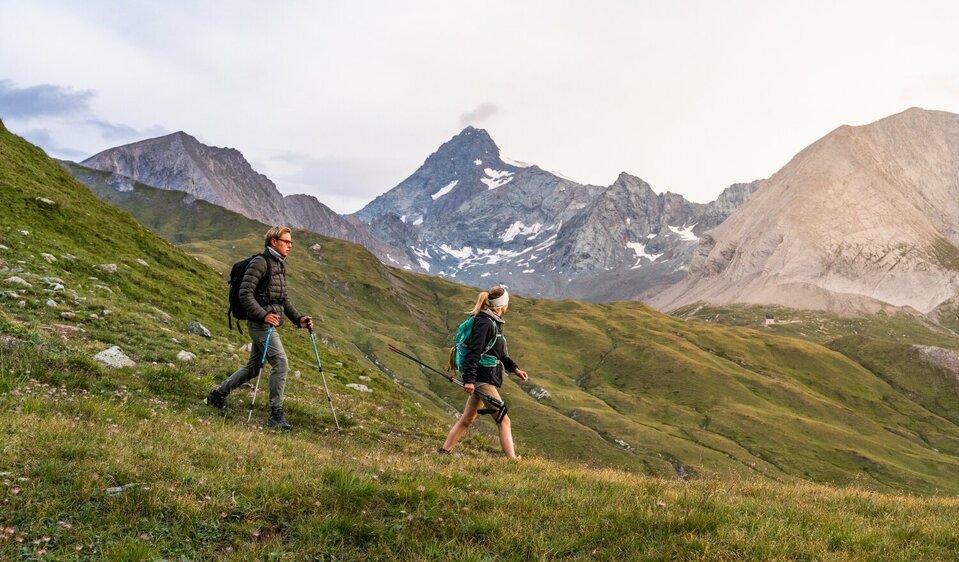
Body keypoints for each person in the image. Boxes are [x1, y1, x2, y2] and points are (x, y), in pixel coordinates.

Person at [205, 226, 313, 430]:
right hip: (260, 325)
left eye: (291, 242)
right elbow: (244, 294)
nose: (290, 245)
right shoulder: (260, 263)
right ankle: (276, 414)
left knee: (253, 367)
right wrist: (263, 315)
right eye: (286, 241)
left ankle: (217, 395)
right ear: (274, 241)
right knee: (281, 362)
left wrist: (298, 319)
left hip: (268, 324)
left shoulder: (279, 264)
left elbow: (283, 299)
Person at [441, 285, 529, 458]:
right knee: (503, 419)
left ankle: (444, 451)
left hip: (482, 377)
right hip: (482, 378)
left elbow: (500, 354)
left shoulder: (492, 322)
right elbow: (473, 353)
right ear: (502, 305)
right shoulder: (486, 323)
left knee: (468, 418)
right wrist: (469, 380)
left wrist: (516, 369)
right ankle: (512, 461)